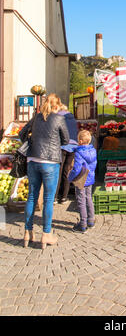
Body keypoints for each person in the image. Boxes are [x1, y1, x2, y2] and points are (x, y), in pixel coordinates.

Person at [20, 93, 69, 249]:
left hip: (33, 160)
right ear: (57, 105)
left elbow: (22, 134)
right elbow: (66, 140)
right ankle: (46, 234)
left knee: (32, 197)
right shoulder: (59, 119)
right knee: (48, 198)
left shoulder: (36, 118)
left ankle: (28, 233)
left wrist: (32, 141)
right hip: (50, 161)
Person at [68, 130, 97, 233]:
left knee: (81, 200)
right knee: (89, 198)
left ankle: (83, 224)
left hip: (81, 178)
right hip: (90, 176)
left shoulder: (79, 152)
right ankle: (91, 220)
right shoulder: (93, 150)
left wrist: (70, 177)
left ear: (80, 141)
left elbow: (76, 168)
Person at [55, 104, 78, 204]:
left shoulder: (58, 118)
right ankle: (64, 196)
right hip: (73, 146)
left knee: (58, 171)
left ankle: (55, 197)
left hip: (62, 146)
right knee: (67, 171)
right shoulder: (72, 118)